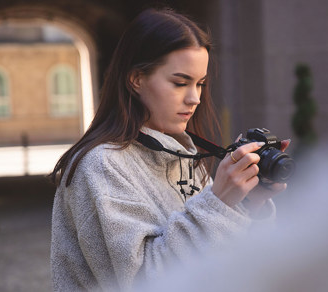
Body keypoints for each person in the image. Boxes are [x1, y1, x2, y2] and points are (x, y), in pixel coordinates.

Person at [50, 7, 288, 292]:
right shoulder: (101, 165)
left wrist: (249, 203)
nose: (195, 98)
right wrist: (219, 203)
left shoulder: (186, 154)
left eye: (200, 84)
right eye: (180, 83)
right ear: (136, 79)